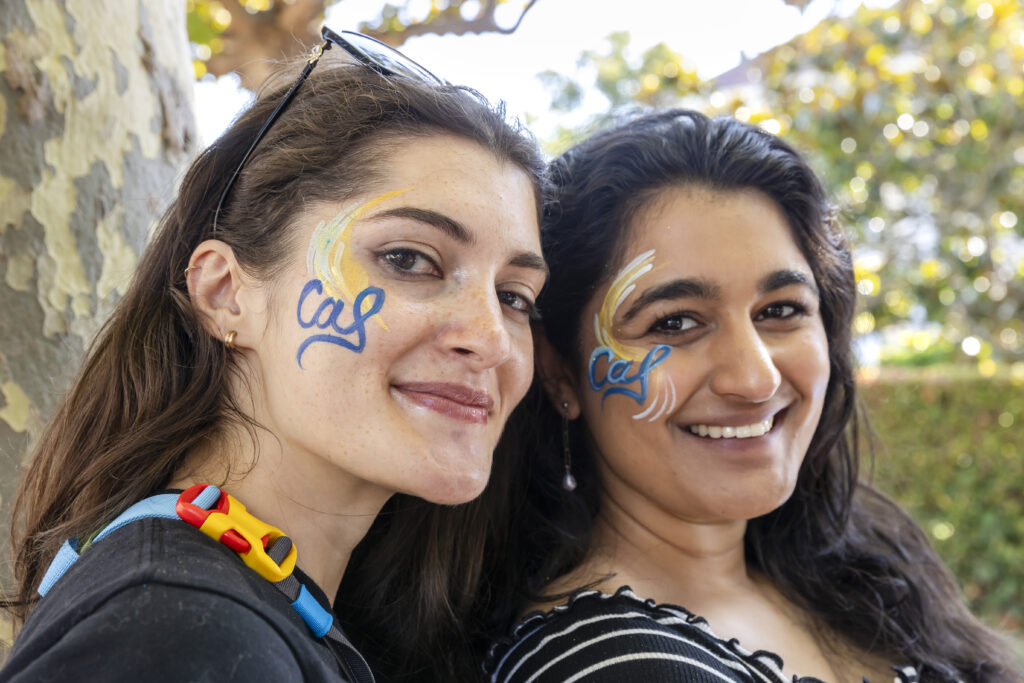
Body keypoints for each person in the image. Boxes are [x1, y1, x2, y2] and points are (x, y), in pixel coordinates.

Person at [1, 27, 547, 682]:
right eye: (409, 259)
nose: (489, 336)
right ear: (226, 293)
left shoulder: (224, 603)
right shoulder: (181, 632)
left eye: (516, 297)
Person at [471, 109, 1023, 682]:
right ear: (560, 372)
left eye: (780, 311)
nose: (755, 378)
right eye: (675, 323)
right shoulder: (608, 665)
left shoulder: (855, 576)